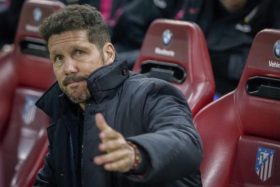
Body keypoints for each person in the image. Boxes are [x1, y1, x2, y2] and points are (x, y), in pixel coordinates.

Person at [34, 4, 203, 187]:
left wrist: (136, 154)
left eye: (79, 52)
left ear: (108, 54)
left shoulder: (151, 93)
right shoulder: (64, 109)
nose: (68, 68)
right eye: (58, 58)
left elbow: (187, 143)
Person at [182, 0, 280, 95]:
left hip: (249, 91)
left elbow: (271, 67)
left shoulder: (271, 8)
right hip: (199, 85)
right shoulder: (197, 6)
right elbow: (182, 49)